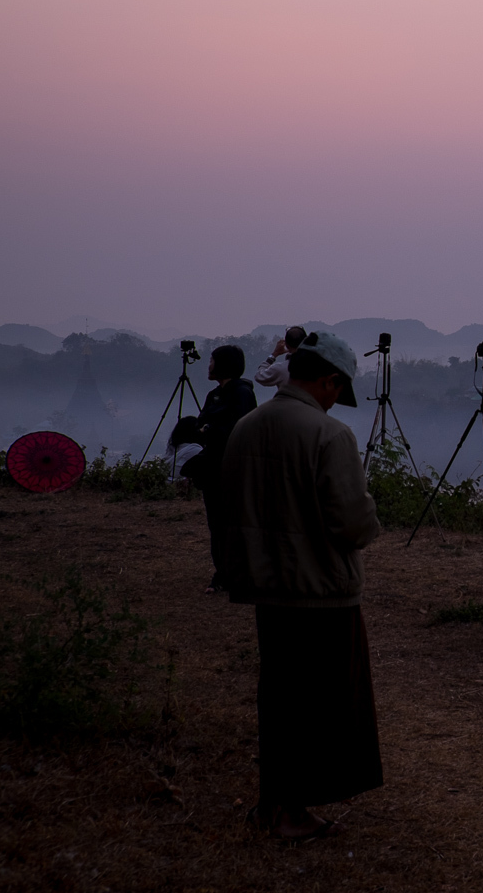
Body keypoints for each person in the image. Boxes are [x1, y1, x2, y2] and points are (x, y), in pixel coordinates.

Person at [219, 331, 383, 840]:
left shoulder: (247, 426)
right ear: (329, 380)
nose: (337, 399)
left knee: (282, 697)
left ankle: (274, 804)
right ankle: (292, 814)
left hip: (268, 588)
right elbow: (353, 524)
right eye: (338, 389)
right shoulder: (330, 436)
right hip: (321, 592)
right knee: (321, 704)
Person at [185, 344, 258, 594]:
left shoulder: (242, 393)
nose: (209, 365)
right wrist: (208, 430)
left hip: (234, 468)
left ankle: (240, 572)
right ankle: (223, 572)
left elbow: (237, 429)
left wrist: (210, 430)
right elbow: (200, 425)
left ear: (223, 364)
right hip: (213, 467)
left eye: (213, 361)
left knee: (234, 522)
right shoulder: (214, 395)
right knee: (216, 523)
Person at [253, 325, 307, 389]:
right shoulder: (318, 367)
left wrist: (274, 355)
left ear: (286, 345)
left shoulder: (280, 369)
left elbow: (259, 376)